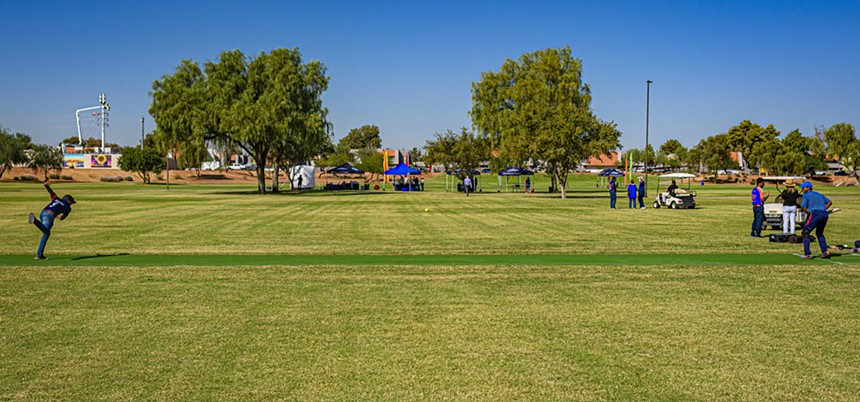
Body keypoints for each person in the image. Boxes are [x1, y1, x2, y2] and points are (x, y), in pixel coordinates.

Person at [28, 179, 76, 260]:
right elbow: (61, 218)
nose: (72, 204)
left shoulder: (56, 199)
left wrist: (46, 186)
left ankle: (40, 254)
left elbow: (51, 192)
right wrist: (56, 215)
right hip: (49, 216)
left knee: (46, 233)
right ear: (68, 200)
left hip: (43, 213)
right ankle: (35, 221)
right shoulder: (68, 207)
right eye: (71, 202)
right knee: (46, 232)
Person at [799, 181, 831, 259]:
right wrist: (823, 209)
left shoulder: (805, 195)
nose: (802, 189)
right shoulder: (818, 194)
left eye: (804, 187)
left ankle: (807, 254)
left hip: (815, 214)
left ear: (808, 188)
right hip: (824, 214)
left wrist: (809, 213)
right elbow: (829, 202)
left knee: (805, 232)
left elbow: (804, 208)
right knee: (819, 233)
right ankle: (825, 251)